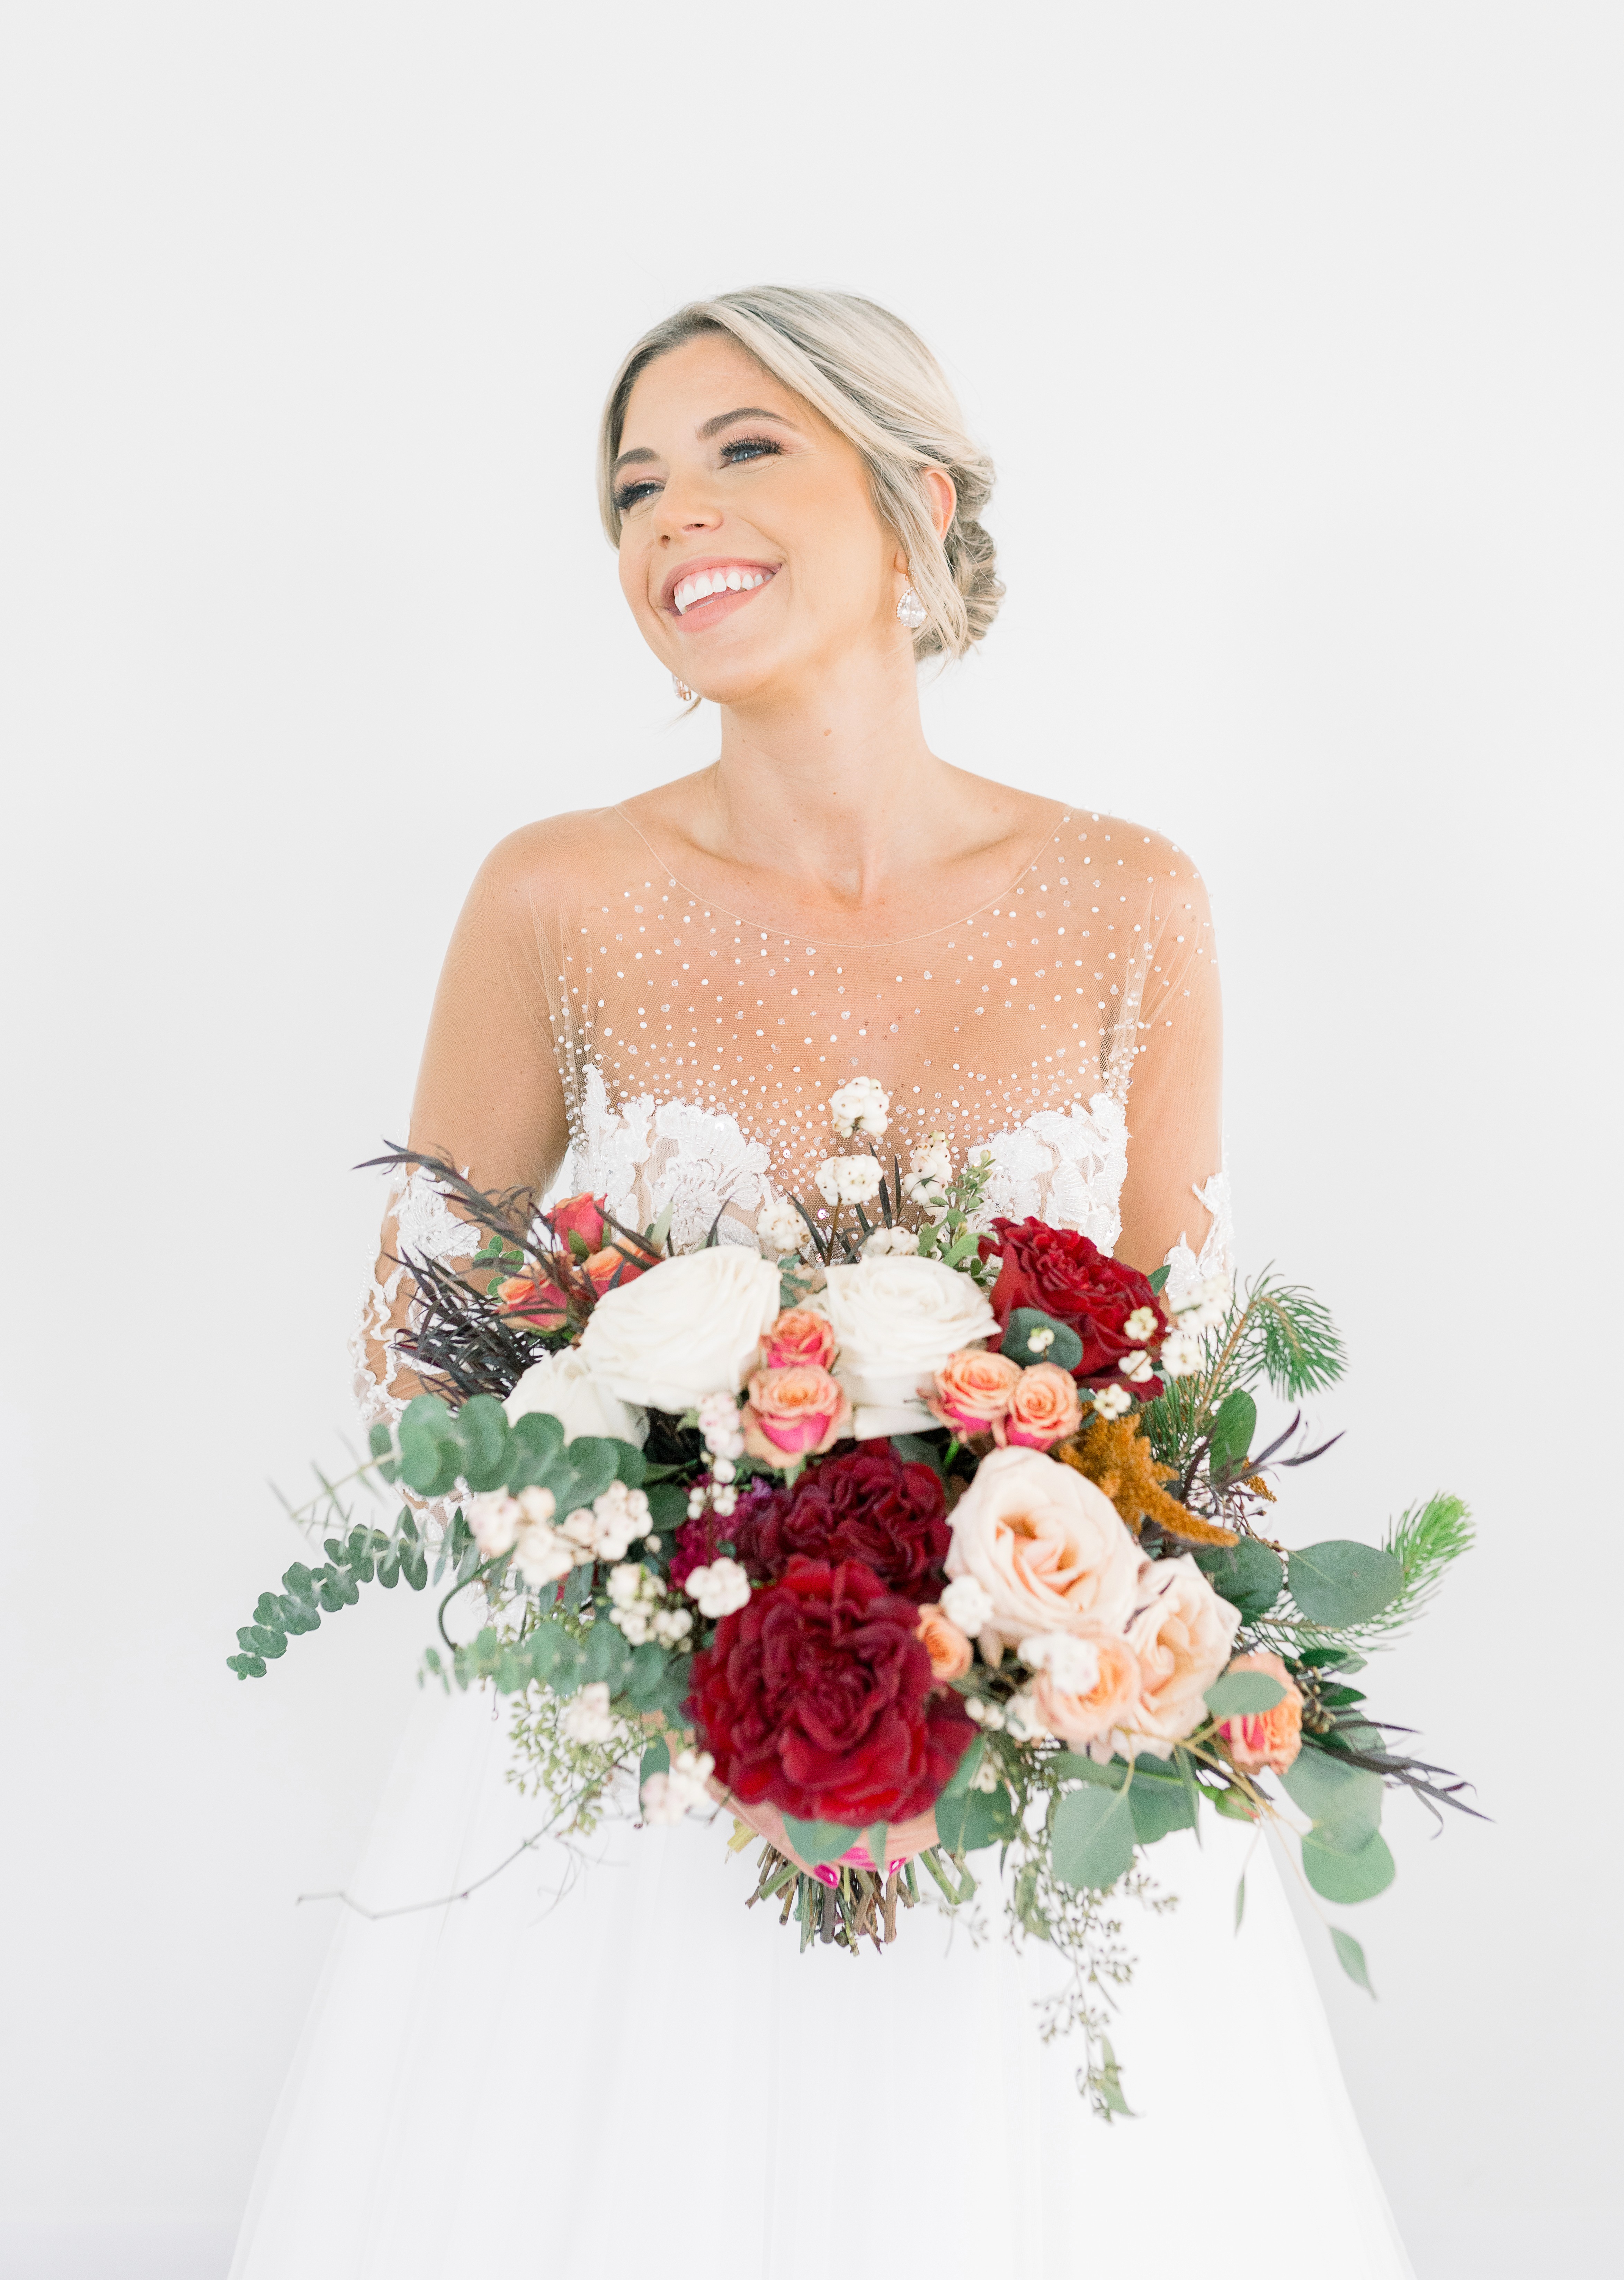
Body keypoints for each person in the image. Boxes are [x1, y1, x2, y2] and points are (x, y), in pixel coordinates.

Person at [231, 290, 1412, 2278]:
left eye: (740, 448)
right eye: (631, 486)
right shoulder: (553, 895)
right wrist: (683, 1530)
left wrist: (1032, 1640)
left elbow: (1187, 1417)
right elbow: (416, 1359)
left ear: (915, 496)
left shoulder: (1134, 901)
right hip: (637, 1789)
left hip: (1034, 1784)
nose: (672, 513)